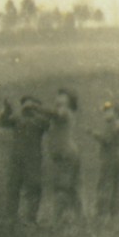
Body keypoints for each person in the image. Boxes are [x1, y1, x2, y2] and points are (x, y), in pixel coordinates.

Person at [0, 96, 51, 223]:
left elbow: (46, 123)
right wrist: (7, 109)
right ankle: (11, 218)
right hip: (19, 159)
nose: (28, 108)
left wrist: (35, 109)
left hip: (32, 160)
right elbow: (3, 122)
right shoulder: (18, 119)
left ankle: (30, 219)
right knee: (13, 187)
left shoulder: (39, 120)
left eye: (31, 105)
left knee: (33, 188)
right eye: (26, 105)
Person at [45, 91, 84, 220]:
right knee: (71, 187)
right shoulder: (60, 114)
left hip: (66, 155)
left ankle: (57, 219)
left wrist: (36, 108)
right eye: (57, 101)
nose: (58, 103)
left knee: (62, 186)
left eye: (62, 102)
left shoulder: (65, 113)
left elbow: (56, 113)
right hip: (67, 154)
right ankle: (80, 217)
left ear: (68, 104)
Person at [91, 100, 119, 217]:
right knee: (115, 186)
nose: (105, 113)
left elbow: (106, 139)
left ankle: (101, 213)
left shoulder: (113, 124)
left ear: (116, 113)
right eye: (105, 111)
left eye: (109, 111)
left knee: (104, 184)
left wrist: (94, 134)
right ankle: (114, 213)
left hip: (111, 158)